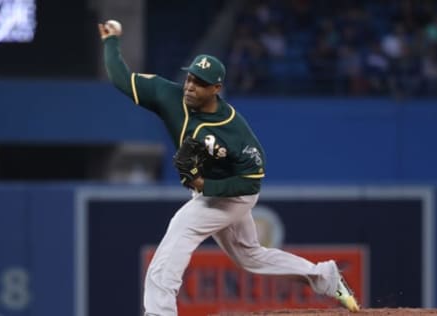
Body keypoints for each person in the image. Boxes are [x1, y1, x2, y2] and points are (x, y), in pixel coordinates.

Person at [98, 20, 359, 316]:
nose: (190, 86)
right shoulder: (167, 95)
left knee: (179, 232)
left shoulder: (236, 133)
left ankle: (159, 312)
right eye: (189, 78)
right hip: (208, 189)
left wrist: (205, 187)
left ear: (217, 88)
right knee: (250, 256)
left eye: (199, 82)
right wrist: (111, 41)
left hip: (233, 193)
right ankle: (326, 278)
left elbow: (251, 183)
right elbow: (121, 79)